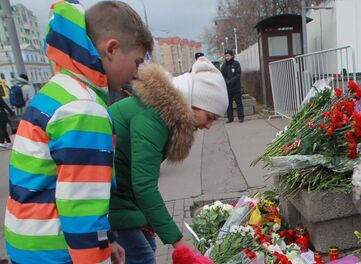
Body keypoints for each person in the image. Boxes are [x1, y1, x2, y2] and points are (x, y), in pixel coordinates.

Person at [4, 1, 153, 263]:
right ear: (112, 49)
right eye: (137, 61)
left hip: (30, 244)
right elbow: (83, 210)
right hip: (56, 252)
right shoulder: (84, 108)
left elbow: (63, 186)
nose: (136, 73)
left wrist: (108, 239)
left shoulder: (59, 91)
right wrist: (98, 254)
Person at [109, 58, 227, 263]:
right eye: (209, 117)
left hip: (120, 192)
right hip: (110, 196)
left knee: (148, 246)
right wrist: (178, 240)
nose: (209, 126)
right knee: (142, 256)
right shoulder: (153, 117)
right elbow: (144, 186)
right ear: (193, 104)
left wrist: (149, 220)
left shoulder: (163, 113)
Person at [220, 49, 244, 123]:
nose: (227, 57)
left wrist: (231, 81)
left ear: (232, 56)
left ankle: (241, 117)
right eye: (226, 56)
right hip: (227, 88)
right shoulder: (223, 66)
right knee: (229, 104)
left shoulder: (236, 64)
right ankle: (230, 118)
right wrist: (226, 81)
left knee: (239, 102)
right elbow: (222, 75)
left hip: (236, 87)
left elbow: (238, 74)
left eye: (228, 56)